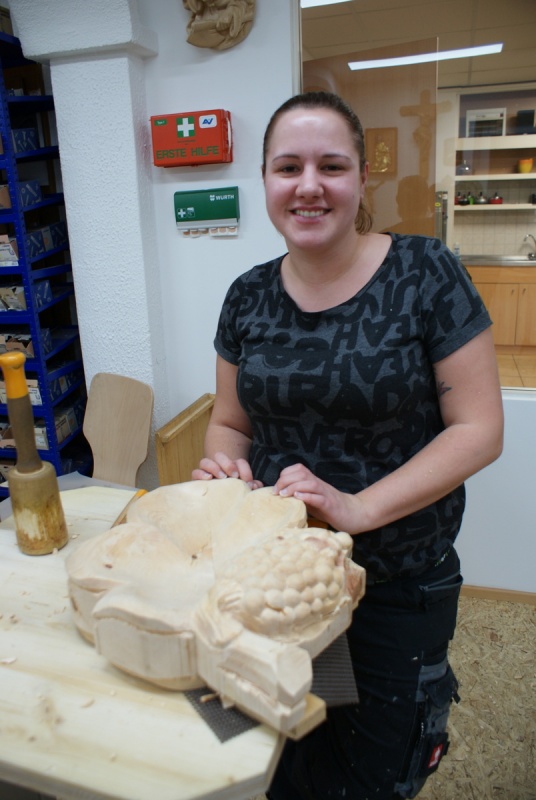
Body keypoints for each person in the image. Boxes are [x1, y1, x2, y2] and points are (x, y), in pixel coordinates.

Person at [193, 91, 504, 799]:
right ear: (265, 180)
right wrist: (227, 468)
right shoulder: (247, 295)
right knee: (271, 747)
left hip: (393, 583)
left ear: (363, 178)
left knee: (366, 774)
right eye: (288, 167)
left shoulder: (425, 273)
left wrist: (358, 508)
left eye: (331, 166)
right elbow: (231, 422)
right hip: (277, 584)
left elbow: (479, 429)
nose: (308, 185)